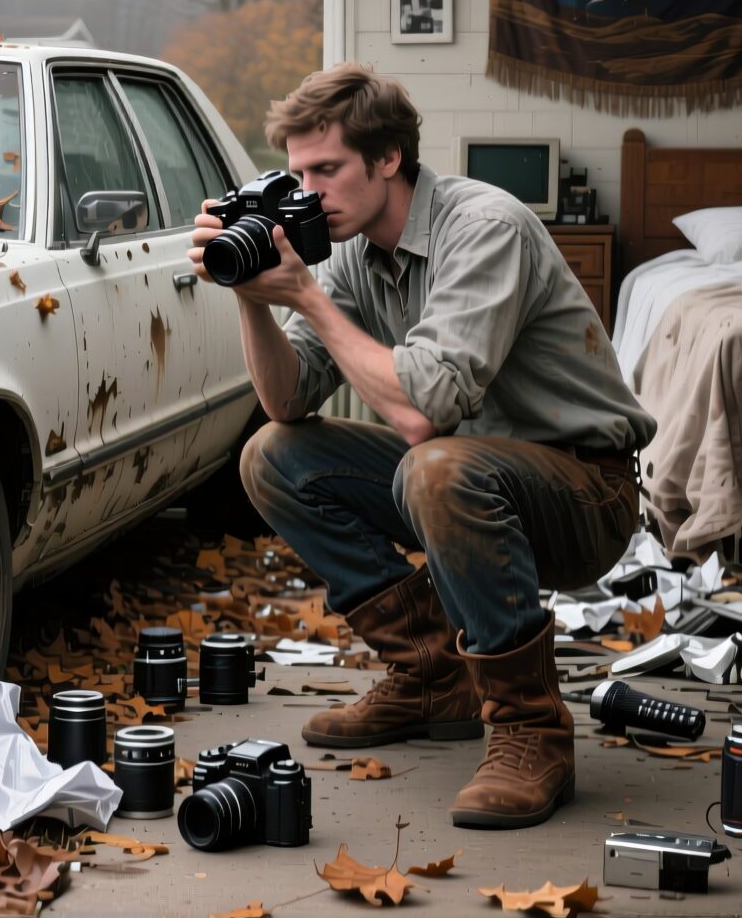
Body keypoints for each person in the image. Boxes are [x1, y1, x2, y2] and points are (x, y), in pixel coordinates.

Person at [189, 64, 655, 830]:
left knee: (435, 466)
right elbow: (286, 400)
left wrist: (307, 297)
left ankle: (532, 730)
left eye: (327, 170)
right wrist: (253, 297)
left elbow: (427, 408)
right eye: (299, 174)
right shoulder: (349, 254)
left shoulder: (486, 228)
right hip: (458, 480)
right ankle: (432, 677)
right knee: (272, 456)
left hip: (584, 495)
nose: (309, 193)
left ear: (388, 158)